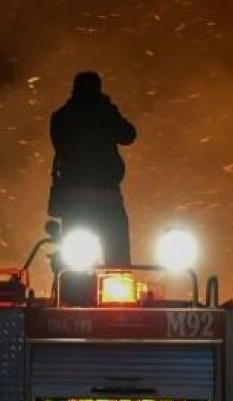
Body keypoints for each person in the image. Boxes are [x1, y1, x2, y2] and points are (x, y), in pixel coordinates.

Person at [49, 71, 137, 266]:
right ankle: (118, 282)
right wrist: (109, 108)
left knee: (74, 264)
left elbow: (59, 143)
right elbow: (129, 135)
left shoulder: (61, 117)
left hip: (73, 204)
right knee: (117, 260)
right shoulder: (105, 114)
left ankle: (73, 286)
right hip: (108, 201)